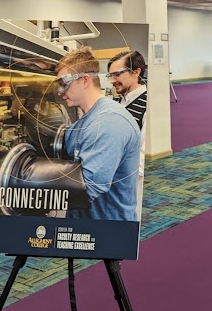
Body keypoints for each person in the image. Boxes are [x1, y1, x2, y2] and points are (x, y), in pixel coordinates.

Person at [56, 47, 141, 221]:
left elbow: (86, 189)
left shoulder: (108, 122)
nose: (60, 91)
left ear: (85, 80)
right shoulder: (89, 119)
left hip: (107, 231)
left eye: (64, 83)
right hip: (88, 224)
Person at [107, 50, 147, 220]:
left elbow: (143, 150)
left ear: (136, 72)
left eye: (117, 74)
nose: (112, 80)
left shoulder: (147, 103)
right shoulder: (119, 101)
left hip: (129, 181)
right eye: (110, 75)